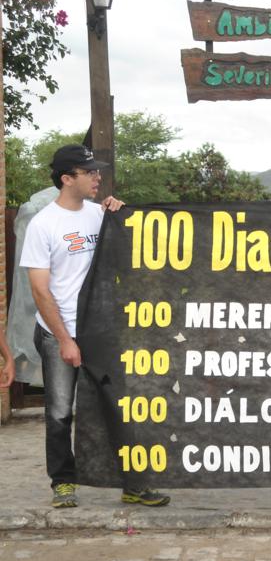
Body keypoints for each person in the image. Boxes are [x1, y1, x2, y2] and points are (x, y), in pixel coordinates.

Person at [20, 144, 170, 509]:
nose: (97, 177)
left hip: (100, 330)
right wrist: (64, 340)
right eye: (89, 172)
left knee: (119, 407)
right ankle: (63, 483)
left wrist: (122, 216)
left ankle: (133, 484)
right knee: (60, 411)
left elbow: (127, 256)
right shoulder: (43, 224)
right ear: (67, 179)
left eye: (96, 171)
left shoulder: (100, 214)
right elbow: (40, 291)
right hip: (59, 332)